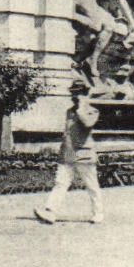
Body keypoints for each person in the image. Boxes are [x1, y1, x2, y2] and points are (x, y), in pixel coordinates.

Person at [35, 88, 103, 224]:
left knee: (91, 185)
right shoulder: (69, 112)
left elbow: (88, 123)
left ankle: (98, 213)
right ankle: (51, 212)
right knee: (61, 182)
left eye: (79, 93)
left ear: (86, 95)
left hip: (84, 153)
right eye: (73, 93)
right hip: (69, 152)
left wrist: (81, 107)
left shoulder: (92, 111)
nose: (75, 96)